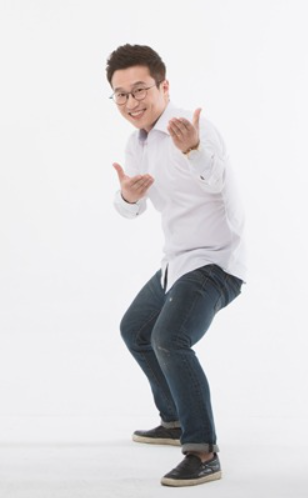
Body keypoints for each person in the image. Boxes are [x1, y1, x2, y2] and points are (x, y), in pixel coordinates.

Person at [106, 44, 247, 487]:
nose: (132, 102)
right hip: (177, 261)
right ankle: (174, 420)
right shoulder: (137, 143)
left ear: (163, 87)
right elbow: (132, 209)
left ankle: (203, 452)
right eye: (121, 94)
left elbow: (218, 178)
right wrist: (128, 197)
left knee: (170, 337)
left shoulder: (193, 128)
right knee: (136, 329)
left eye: (140, 90)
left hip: (216, 261)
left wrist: (195, 151)